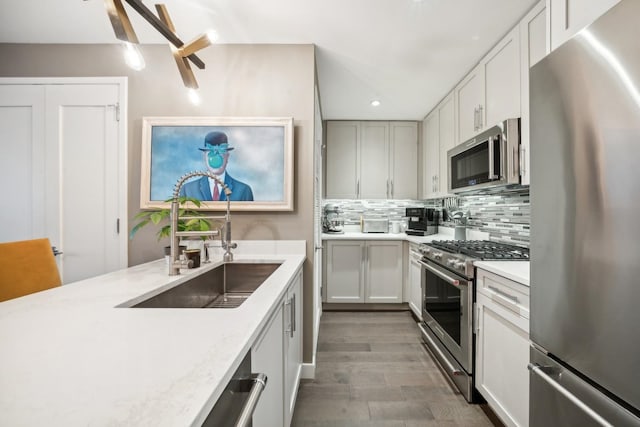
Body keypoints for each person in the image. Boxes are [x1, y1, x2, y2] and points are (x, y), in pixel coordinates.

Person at [179, 131, 254, 201]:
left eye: (220, 153)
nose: (216, 159)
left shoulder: (244, 190)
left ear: (227, 157)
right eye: (211, 153)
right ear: (204, 157)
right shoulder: (188, 190)